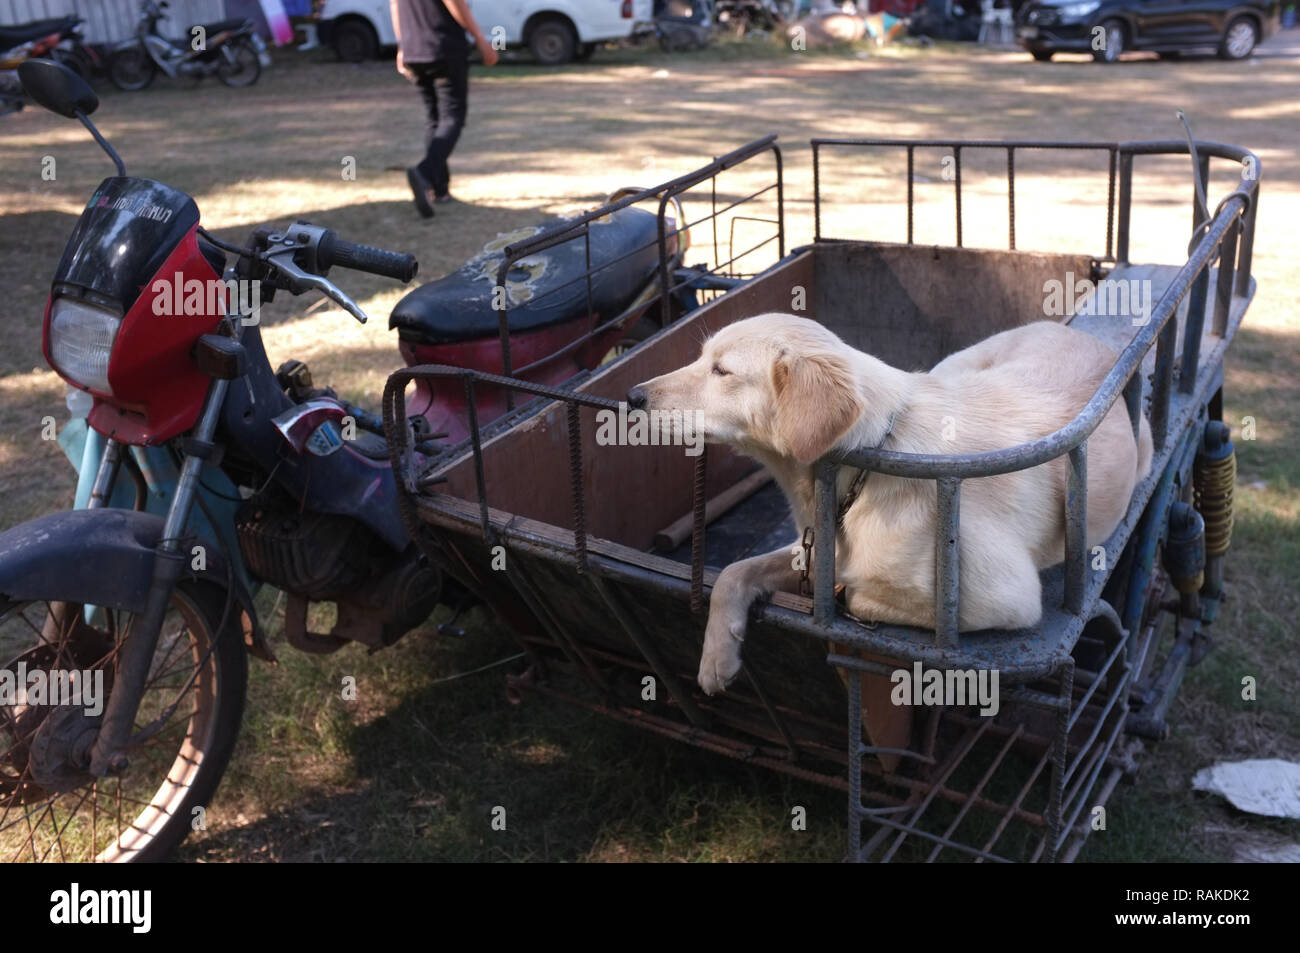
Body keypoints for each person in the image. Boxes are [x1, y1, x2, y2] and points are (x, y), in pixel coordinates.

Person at [390, 0, 498, 218]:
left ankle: (439, 190)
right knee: (452, 118)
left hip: (414, 50)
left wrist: (402, 45)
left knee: (435, 120)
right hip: (442, 47)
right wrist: (480, 40)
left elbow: (395, 5)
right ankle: (425, 174)